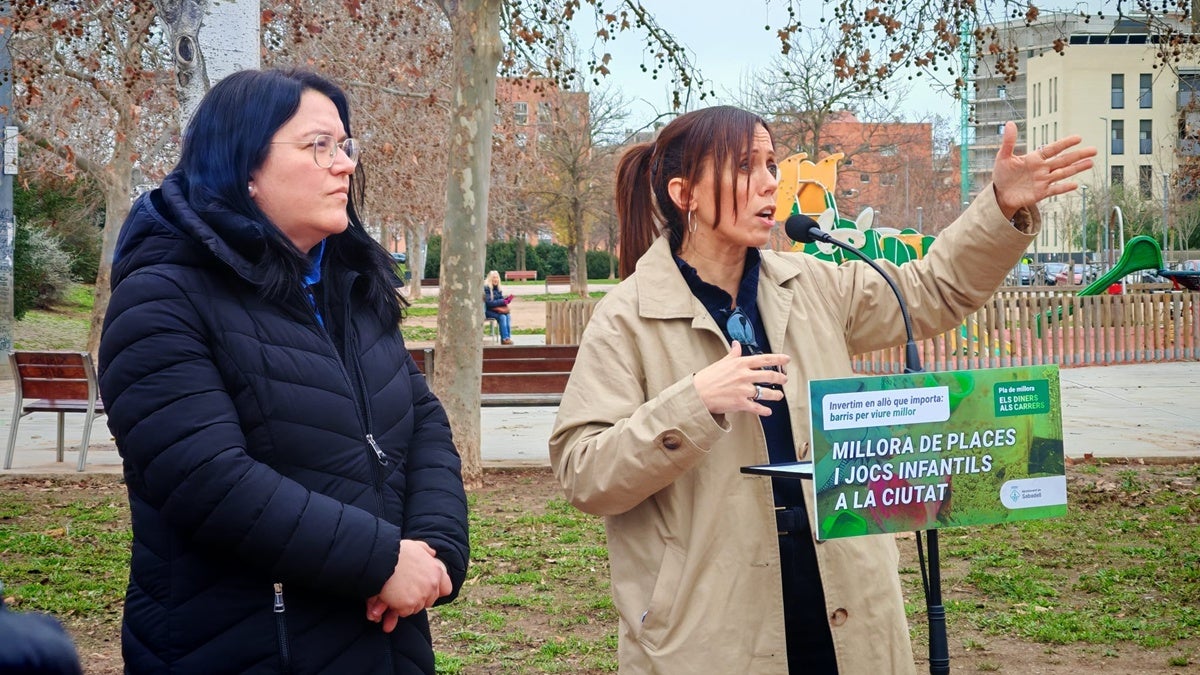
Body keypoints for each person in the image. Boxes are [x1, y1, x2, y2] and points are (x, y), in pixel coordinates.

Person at [549, 106, 1094, 673]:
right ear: (684, 192)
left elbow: (933, 290)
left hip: (842, 599)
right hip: (709, 622)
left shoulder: (812, 283)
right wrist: (694, 403)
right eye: (744, 166)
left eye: (771, 163)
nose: (770, 183)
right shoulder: (627, 318)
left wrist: (1000, 205)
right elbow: (584, 473)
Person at [98, 68, 469, 674]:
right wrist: (380, 561)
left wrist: (434, 549)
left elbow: (421, 419)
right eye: (317, 145)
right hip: (246, 647)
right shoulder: (162, 298)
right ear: (243, 168)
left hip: (384, 639)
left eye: (344, 145)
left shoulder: (349, 287)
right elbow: (207, 480)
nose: (344, 164)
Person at [484, 269, 515, 344]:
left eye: (497, 277)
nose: (496, 279)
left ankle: (507, 337)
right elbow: (489, 303)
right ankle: (504, 338)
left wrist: (506, 300)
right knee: (502, 317)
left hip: (497, 310)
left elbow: (500, 300)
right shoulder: (487, 288)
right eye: (494, 277)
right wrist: (502, 301)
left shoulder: (498, 288)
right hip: (489, 311)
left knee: (507, 316)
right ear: (490, 279)